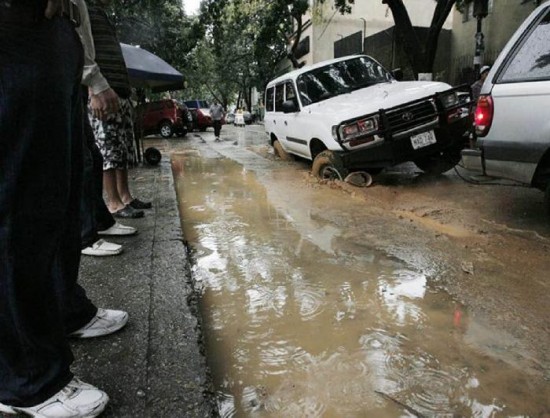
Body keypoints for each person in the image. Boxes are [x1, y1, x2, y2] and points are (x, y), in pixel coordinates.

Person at [0, 0, 126, 415]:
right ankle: (24, 376)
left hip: (51, 31)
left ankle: (62, 309)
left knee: (56, 196)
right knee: (20, 204)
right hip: (15, 24)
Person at [77, 0, 137, 257]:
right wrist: (93, 81)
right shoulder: (83, 8)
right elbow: (80, 44)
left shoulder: (99, 14)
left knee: (100, 152)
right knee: (97, 154)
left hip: (108, 87)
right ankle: (89, 228)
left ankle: (101, 221)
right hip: (93, 86)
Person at [86, 0, 151, 219]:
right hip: (102, 90)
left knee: (123, 149)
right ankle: (113, 202)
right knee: (108, 150)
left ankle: (126, 197)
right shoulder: (84, 9)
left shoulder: (102, 14)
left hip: (119, 91)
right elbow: (84, 52)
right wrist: (92, 89)